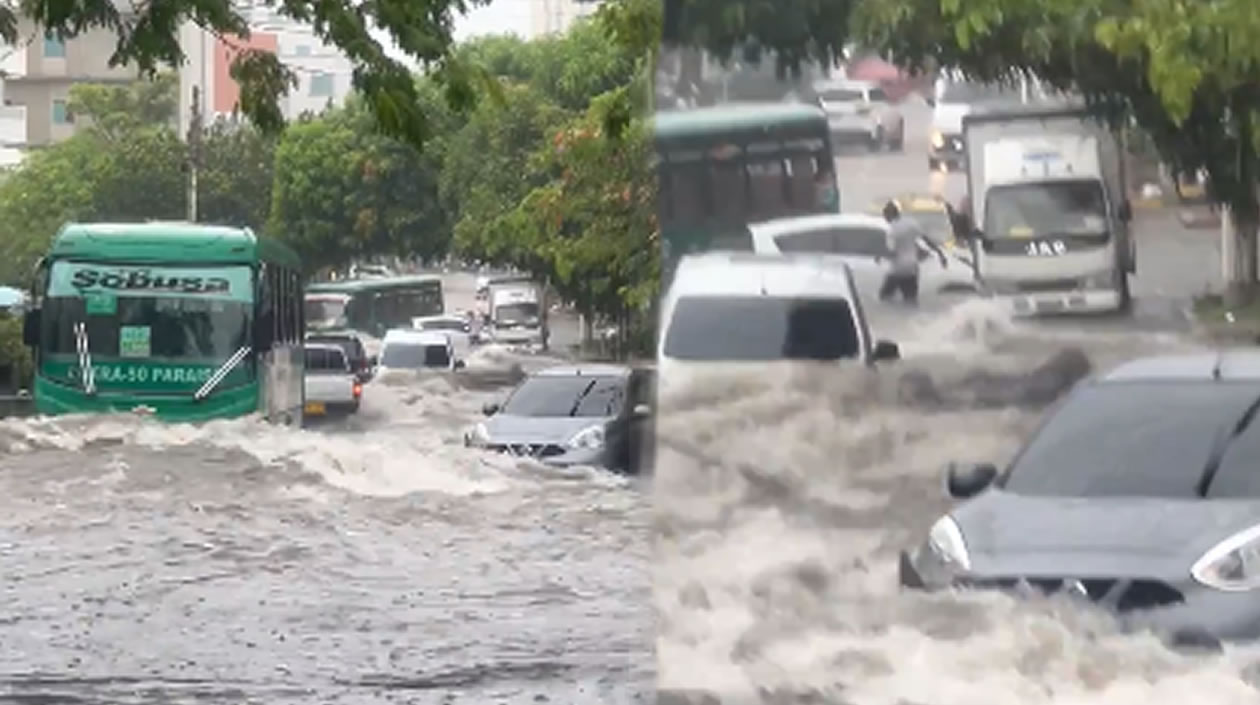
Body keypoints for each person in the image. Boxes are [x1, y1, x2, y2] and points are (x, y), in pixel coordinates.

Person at [879, 200, 947, 305]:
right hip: (912, 267)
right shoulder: (911, 223)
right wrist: (940, 254)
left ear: (890, 214)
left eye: (885, 216)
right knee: (910, 300)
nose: (885, 219)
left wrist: (881, 255)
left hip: (897, 269)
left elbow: (892, 251)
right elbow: (926, 239)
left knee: (884, 298)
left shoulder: (892, 230)